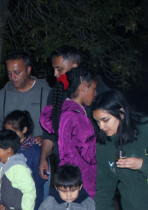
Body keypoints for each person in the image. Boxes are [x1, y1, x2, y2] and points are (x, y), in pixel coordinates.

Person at [38, 46, 109, 181]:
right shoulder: (56, 93)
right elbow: (49, 133)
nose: (55, 74)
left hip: (94, 161)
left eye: (59, 69)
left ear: (74, 67)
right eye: (54, 69)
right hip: (66, 163)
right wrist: (43, 158)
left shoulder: (94, 85)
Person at [40, 67, 98, 197]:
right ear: (83, 87)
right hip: (82, 180)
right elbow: (89, 154)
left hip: (67, 177)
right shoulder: (78, 118)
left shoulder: (64, 110)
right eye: (94, 89)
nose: (96, 94)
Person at [4, 111, 46, 210]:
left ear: (24, 129)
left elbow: (41, 176)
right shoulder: (10, 148)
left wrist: (24, 185)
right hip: (15, 199)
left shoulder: (35, 150)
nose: (9, 134)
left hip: (31, 198)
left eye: (13, 131)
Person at [0, 51, 51, 140]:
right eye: (9, 73)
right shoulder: (2, 96)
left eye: (17, 72)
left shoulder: (47, 94)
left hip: (39, 152)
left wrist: (46, 140)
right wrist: (1, 144)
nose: (12, 77)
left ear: (28, 70)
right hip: (10, 152)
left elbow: (58, 126)